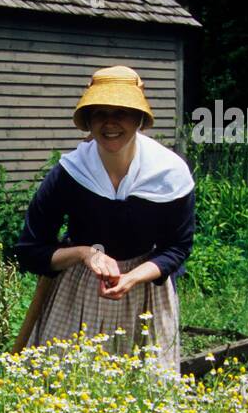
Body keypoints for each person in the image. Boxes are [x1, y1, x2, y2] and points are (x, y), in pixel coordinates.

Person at [14, 65, 195, 377]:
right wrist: (85, 253)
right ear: (88, 120)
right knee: (65, 385)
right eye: (100, 112)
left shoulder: (169, 174)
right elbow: (30, 249)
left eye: (122, 112)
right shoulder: (70, 173)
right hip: (78, 291)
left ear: (140, 119)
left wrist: (133, 276)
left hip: (145, 294)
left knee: (142, 395)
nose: (110, 122)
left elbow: (177, 248)